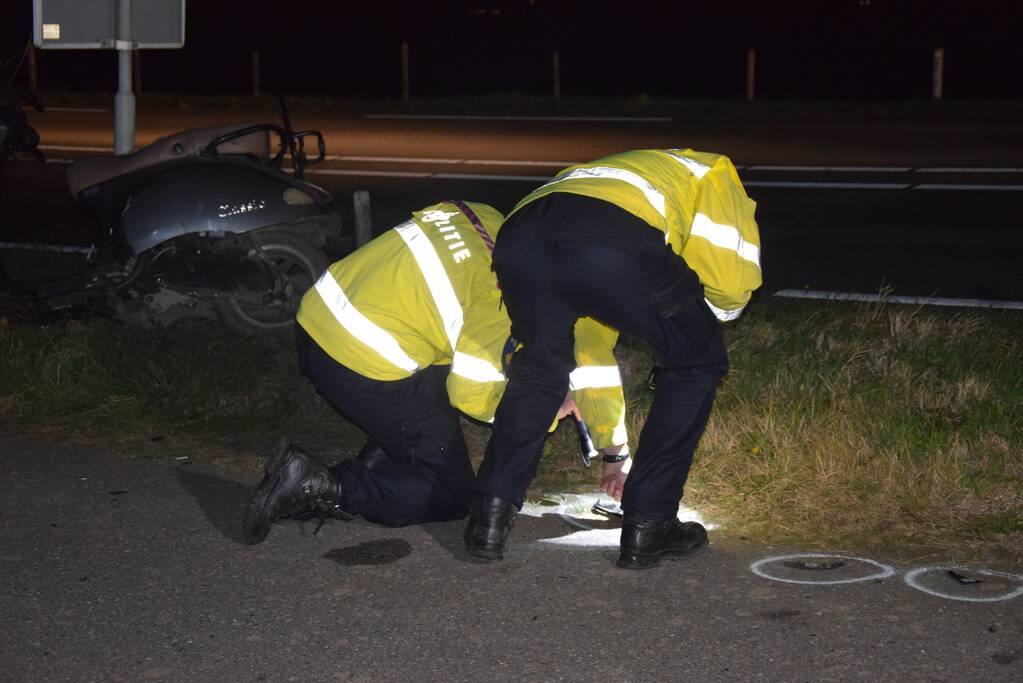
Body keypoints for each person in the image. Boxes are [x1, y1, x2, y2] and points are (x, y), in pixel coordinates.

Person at [244, 200, 632, 544]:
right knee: (451, 494)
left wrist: (613, 450)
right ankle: (321, 484)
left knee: (433, 404)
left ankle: (388, 462)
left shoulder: (485, 217)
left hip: (316, 318)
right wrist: (546, 409)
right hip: (358, 361)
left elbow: (590, 360)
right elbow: (470, 395)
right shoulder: (506, 299)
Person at [463, 149, 762, 569]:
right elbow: (729, 282)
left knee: (539, 371)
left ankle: (489, 517)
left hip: (520, 240)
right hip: (612, 240)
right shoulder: (715, 170)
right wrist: (704, 320)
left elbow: (590, 309)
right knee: (695, 360)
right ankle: (650, 523)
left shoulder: (626, 168)